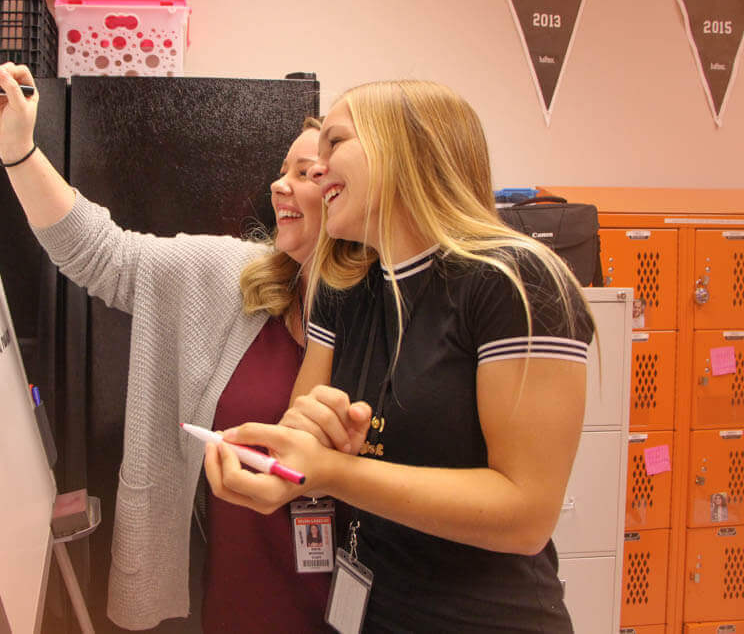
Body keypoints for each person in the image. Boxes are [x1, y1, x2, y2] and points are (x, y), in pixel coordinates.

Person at [0, 62, 364, 632]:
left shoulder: (387, 310)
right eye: (282, 170)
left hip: (362, 604)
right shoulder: (237, 277)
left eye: (305, 173)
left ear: (346, 188)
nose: (280, 185)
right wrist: (19, 151)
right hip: (237, 599)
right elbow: (103, 253)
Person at [204, 79, 595, 632]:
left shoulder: (512, 280)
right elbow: (304, 442)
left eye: (335, 144)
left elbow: (525, 515)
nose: (316, 170)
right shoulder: (342, 288)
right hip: (369, 613)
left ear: (408, 149)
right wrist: (280, 463)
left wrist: (333, 471)